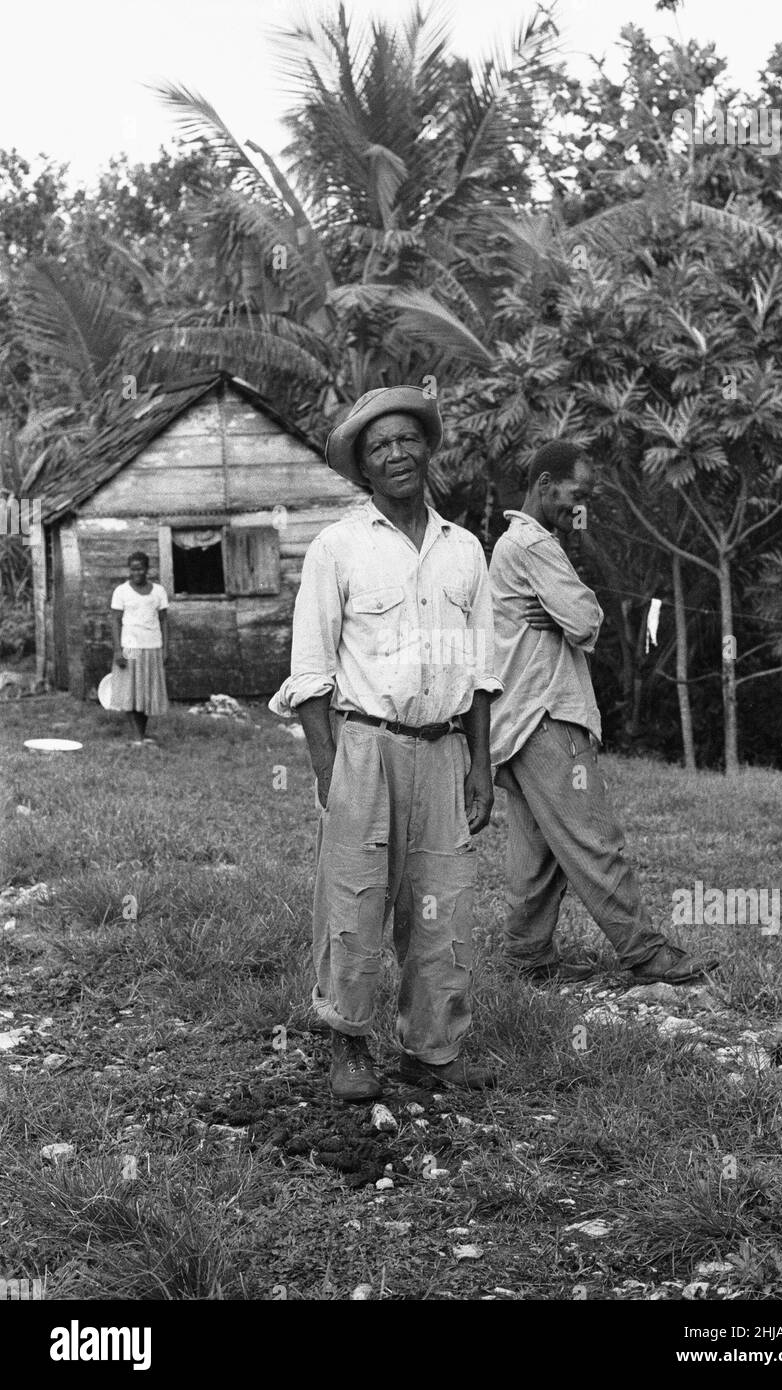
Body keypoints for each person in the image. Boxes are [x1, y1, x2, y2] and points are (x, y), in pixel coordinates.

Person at [270, 386, 501, 1101]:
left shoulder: (464, 550)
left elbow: (483, 671)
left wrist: (481, 766)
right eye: (379, 448)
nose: (396, 453)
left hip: (444, 751)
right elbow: (309, 672)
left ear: (427, 449)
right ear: (362, 469)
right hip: (364, 746)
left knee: (443, 902)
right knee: (355, 898)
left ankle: (434, 1047)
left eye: (407, 440)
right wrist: (326, 767)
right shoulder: (338, 548)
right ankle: (349, 1044)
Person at [489, 441, 719, 986]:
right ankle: (645, 953)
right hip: (547, 712)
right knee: (595, 838)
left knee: (538, 851)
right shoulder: (533, 542)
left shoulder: (510, 543)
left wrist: (564, 609)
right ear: (545, 483)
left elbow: (569, 616)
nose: (581, 503)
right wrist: (574, 606)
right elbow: (586, 619)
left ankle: (527, 957)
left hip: (515, 718)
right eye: (577, 492)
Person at [109, 552, 169, 744]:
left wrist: (166, 648)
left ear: (147, 569)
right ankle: (137, 737)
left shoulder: (158, 591)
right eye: (133, 569)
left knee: (145, 691)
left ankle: (141, 734)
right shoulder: (121, 591)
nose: (137, 572)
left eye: (140, 568)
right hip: (130, 647)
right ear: (129, 570)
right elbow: (115, 621)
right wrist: (118, 650)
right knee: (130, 689)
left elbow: (164, 621)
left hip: (152, 646)